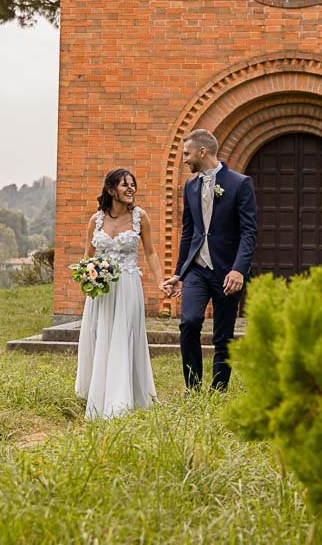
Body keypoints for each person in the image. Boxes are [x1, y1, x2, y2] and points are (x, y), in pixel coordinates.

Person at [162, 129, 257, 391]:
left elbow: (249, 232)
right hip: (197, 270)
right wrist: (180, 273)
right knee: (189, 322)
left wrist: (239, 269)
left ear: (202, 152)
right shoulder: (190, 186)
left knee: (223, 335)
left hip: (228, 271)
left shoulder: (240, 183)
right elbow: (189, 232)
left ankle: (218, 390)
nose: (184, 160)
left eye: (187, 153)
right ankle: (193, 389)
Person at [75, 168, 161, 420]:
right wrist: (86, 276)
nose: (131, 189)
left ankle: (122, 399)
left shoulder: (140, 217)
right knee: (100, 335)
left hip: (127, 286)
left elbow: (151, 252)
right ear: (112, 189)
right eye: (125, 185)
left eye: (133, 184)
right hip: (101, 290)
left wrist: (160, 281)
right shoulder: (96, 220)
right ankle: (98, 392)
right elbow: (87, 256)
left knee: (124, 335)